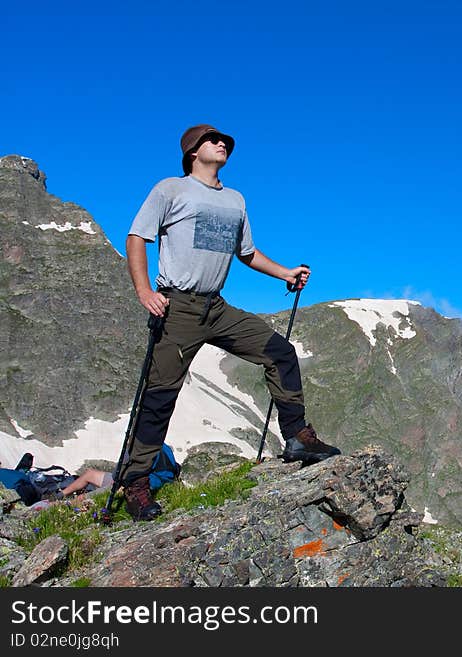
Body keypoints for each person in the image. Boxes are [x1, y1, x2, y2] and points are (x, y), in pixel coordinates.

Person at [122, 124, 340, 521]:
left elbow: (248, 253)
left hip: (216, 307)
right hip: (178, 307)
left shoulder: (236, 200)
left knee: (280, 351)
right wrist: (143, 292)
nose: (223, 144)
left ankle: (297, 438)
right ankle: (135, 484)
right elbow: (137, 237)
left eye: (225, 142)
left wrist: (286, 273)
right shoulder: (170, 190)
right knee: (159, 397)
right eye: (213, 140)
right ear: (192, 151)